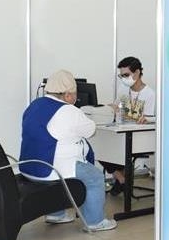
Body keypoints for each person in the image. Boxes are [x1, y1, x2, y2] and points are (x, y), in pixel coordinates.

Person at [19, 70, 117, 231]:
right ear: (67, 95)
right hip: (51, 167)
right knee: (95, 177)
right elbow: (90, 130)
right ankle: (95, 222)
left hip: (30, 167)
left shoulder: (35, 105)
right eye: (75, 94)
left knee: (61, 173)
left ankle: (56, 214)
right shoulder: (69, 111)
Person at [106, 56, 156, 195]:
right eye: (121, 76)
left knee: (113, 148)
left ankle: (122, 180)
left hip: (138, 137)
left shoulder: (150, 94)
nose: (123, 79)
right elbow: (115, 107)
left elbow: (148, 120)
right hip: (121, 132)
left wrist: (144, 119)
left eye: (126, 75)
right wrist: (109, 109)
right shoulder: (123, 89)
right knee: (101, 145)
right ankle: (122, 179)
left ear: (137, 72)